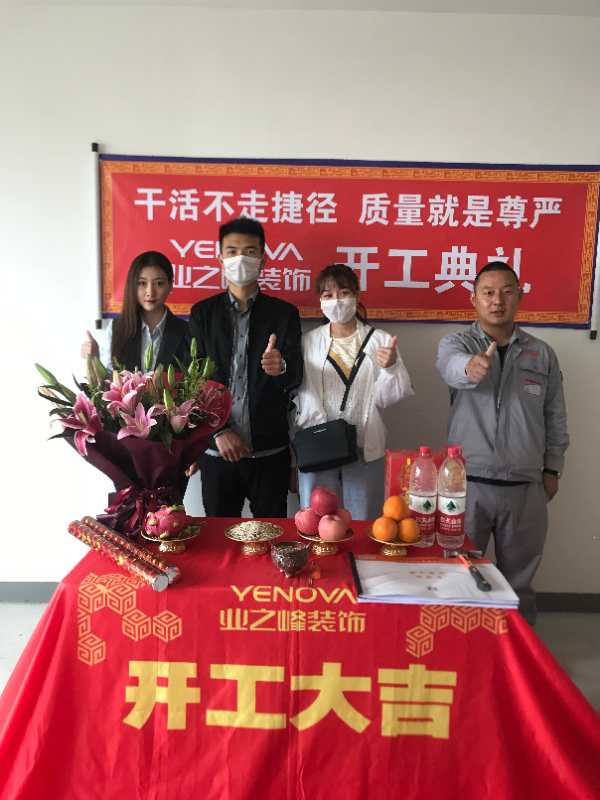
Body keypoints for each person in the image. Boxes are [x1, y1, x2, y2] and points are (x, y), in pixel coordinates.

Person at [436, 261, 569, 623]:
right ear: (474, 299)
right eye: (488, 292)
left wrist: (553, 468)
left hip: (525, 485)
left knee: (519, 584)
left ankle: (520, 651)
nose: (497, 301)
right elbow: (450, 366)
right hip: (468, 484)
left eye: (507, 292)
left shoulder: (541, 353)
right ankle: (463, 645)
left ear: (519, 296)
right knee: (460, 575)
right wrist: (470, 367)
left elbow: (555, 415)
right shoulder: (457, 343)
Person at [189, 217, 302, 518]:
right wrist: (219, 431)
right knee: (219, 537)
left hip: (269, 452)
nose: (241, 258)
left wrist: (281, 367)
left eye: (250, 252)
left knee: (272, 535)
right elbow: (193, 380)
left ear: (263, 260)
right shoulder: (202, 314)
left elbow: (298, 376)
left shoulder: (284, 314)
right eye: (232, 251)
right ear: (220, 258)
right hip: (217, 452)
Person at [293, 263, 414, 520]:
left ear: (357, 295)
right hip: (319, 448)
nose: (336, 301)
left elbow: (389, 398)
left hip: (364, 448)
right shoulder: (307, 341)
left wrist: (391, 367)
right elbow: (296, 392)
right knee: (317, 523)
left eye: (344, 293)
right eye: (328, 295)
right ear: (320, 301)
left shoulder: (381, 340)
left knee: (362, 522)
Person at [81, 251, 190, 371]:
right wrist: (95, 360)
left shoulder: (186, 331)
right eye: (142, 283)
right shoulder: (116, 328)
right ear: (133, 285)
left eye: (159, 283)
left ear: (170, 285)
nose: (150, 292)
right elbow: (108, 380)